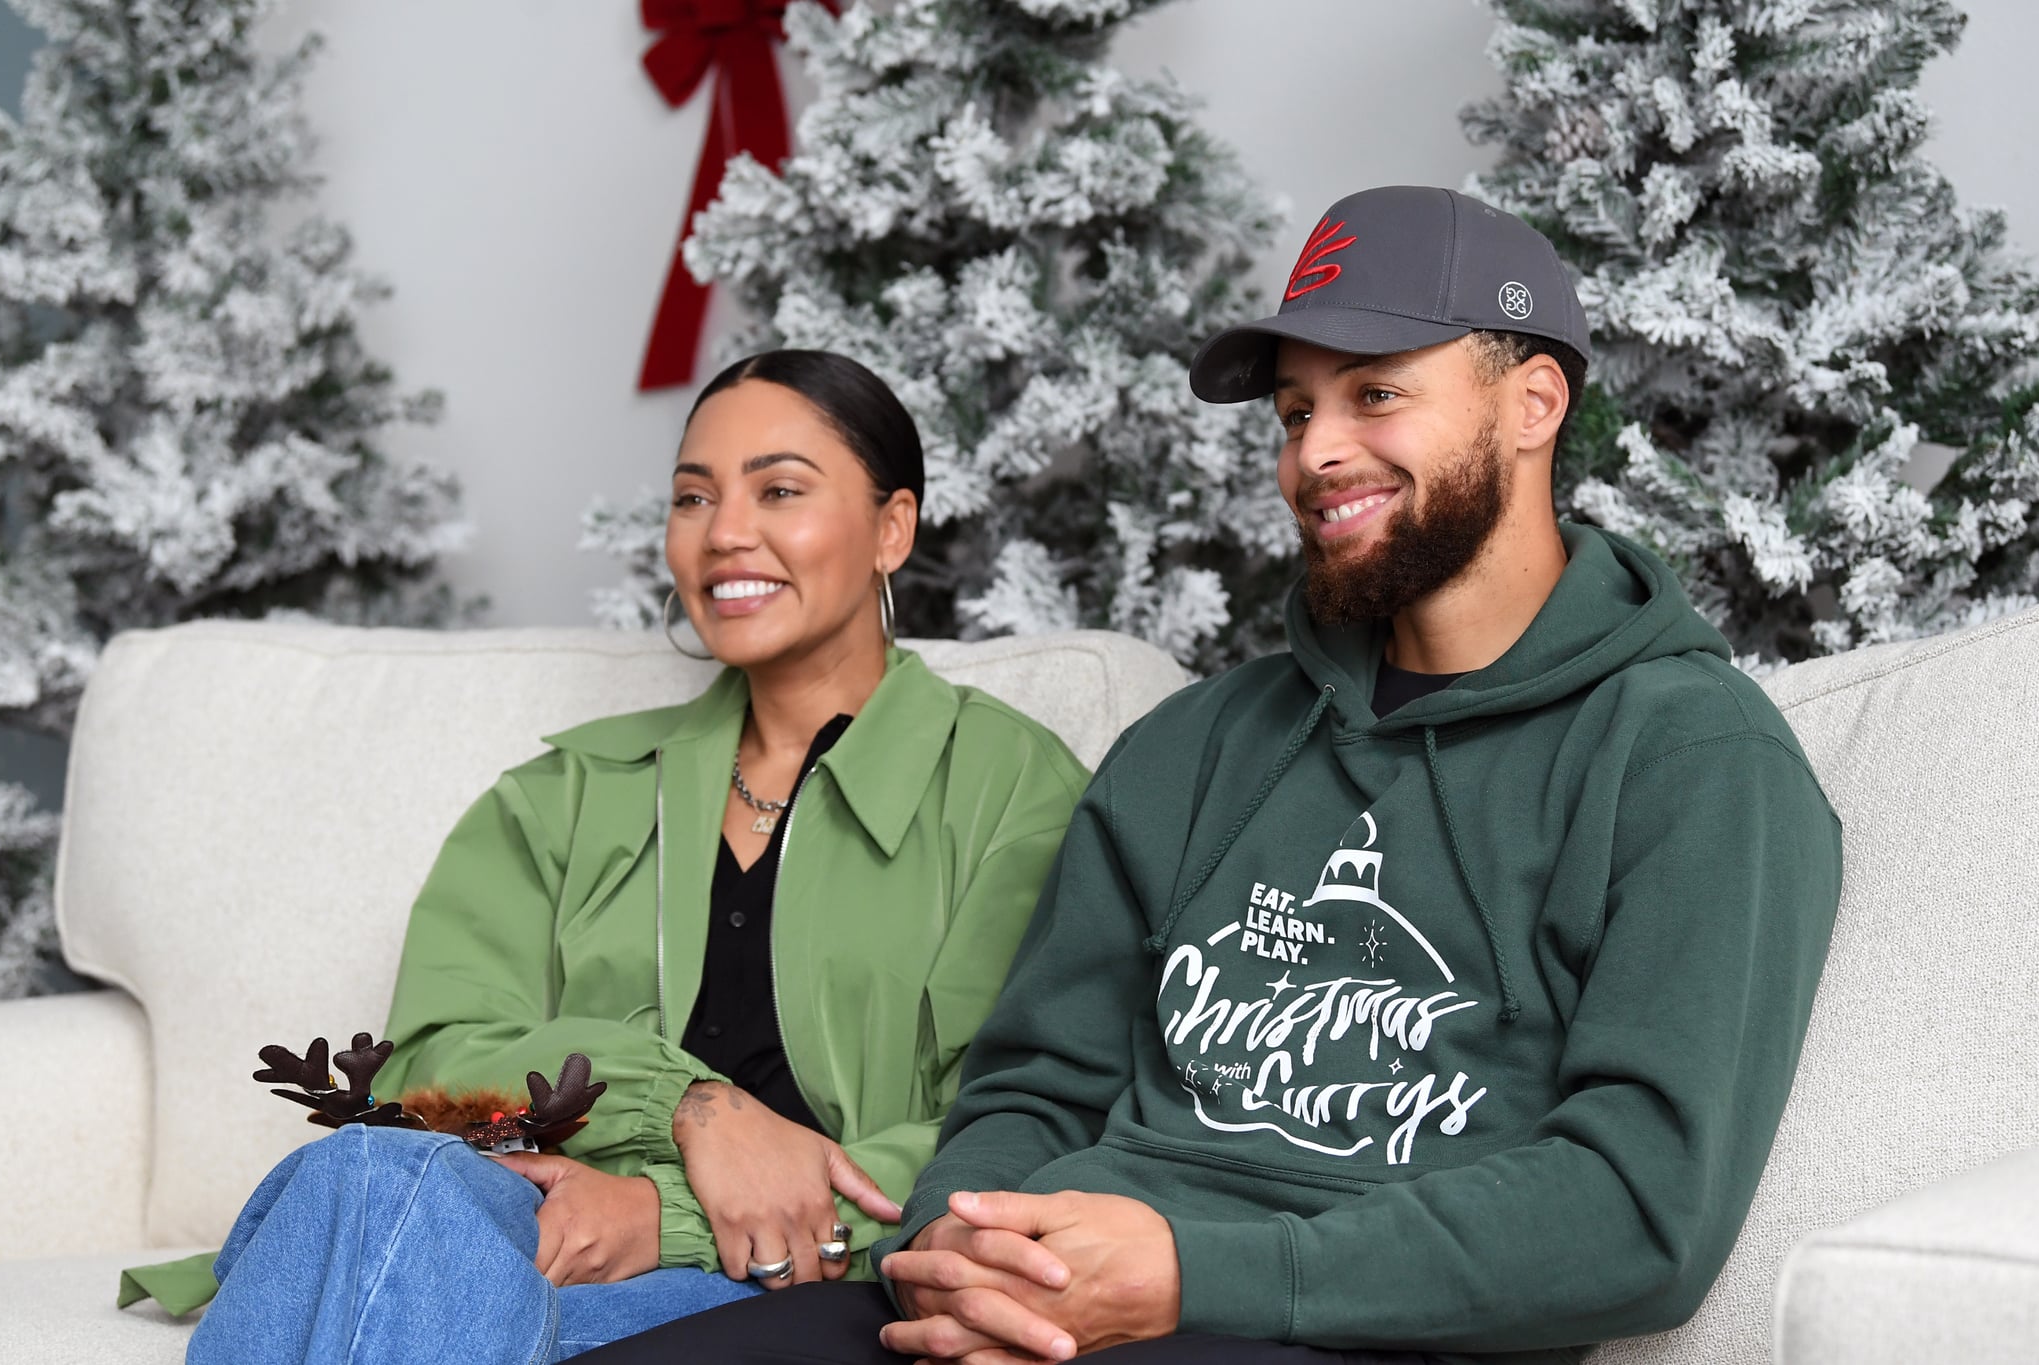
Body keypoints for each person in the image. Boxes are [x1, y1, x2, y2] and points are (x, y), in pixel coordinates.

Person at [577, 187, 1843, 1365]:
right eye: (1296, 414)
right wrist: (954, 1247)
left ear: (1530, 404)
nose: (1315, 454)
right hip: (1066, 1303)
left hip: (1349, 1328)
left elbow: (1635, 1212)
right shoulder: (1198, 747)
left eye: (1373, 395)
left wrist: (1193, 1273)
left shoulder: (1690, 760)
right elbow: (1036, 1084)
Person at [166, 349, 1091, 1363]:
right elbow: (434, 1060)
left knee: (381, 1265)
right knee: (372, 1178)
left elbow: (1019, 1122)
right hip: (514, 1240)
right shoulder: (564, 795)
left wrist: (665, 1216)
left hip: (796, 1287)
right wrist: (688, 1106)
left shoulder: (1007, 788)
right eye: (692, 497)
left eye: (779, 489)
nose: (725, 532)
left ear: (891, 528)